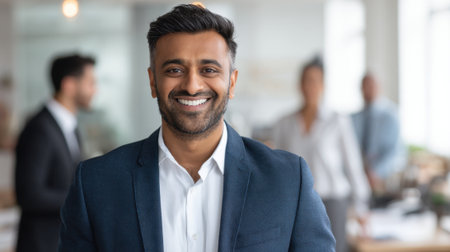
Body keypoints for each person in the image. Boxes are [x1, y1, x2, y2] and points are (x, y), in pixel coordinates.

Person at [59, 4, 335, 252]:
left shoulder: (288, 180)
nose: (192, 86)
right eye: (174, 70)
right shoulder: (96, 184)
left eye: (209, 70)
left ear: (232, 82)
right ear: (153, 81)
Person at [271, 57, 370, 252]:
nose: (310, 86)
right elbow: (277, 166)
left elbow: (353, 165)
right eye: (306, 80)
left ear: (323, 85)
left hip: (332, 202)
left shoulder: (338, 121)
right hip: (296, 203)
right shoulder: (284, 123)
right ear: (299, 85)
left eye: (315, 81)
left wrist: (362, 207)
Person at [15, 54, 96, 252]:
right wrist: (82, 198)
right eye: (90, 83)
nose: (95, 90)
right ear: (69, 84)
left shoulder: (71, 127)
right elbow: (29, 195)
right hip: (40, 244)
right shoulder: (39, 128)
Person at [351, 73, 405, 193]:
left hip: (385, 180)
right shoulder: (354, 119)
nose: (369, 89)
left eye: (372, 85)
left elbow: (394, 152)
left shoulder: (391, 116)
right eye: (365, 86)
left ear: (379, 87)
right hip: (359, 179)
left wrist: (376, 173)